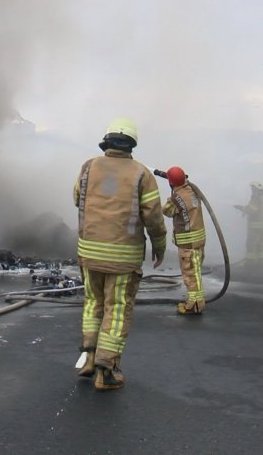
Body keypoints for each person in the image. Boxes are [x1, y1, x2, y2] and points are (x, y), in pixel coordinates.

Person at [73, 117, 167, 391]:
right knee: (116, 309)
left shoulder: (88, 167)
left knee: (93, 303)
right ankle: (106, 371)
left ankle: (88, 359)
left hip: (88, 252)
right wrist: (159, 245)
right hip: (123, 258)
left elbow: (77, 198)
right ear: (132, 144)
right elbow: (154, 217)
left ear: (107, 141)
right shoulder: (141, 174)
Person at [162, 166, 207, 315]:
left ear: (171, 182)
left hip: (188, 244)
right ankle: (197, 302)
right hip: (198, 240)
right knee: (196, 273)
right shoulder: (192, 190)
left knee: (190, 275)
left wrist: (171, 195)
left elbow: (167, 211)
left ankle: (194, 305)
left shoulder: (176, 198)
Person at [234, 181, 263, 267]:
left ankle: (249, 262)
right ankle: (261, 262)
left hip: (255, 227)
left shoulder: (256, 198)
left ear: (256, 189)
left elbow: (252, 210)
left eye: (253, 188)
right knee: (260, 245)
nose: (252, 190)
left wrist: (241, 208)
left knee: (250, 244)